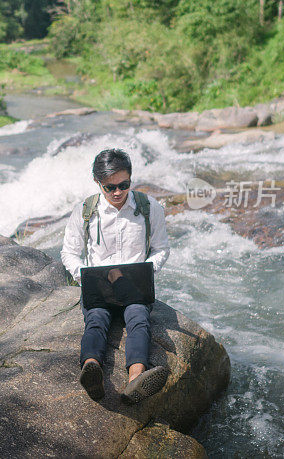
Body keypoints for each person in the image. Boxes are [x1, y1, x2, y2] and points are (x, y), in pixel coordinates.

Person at [61, 148, 171, 403]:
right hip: (99, 289)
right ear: (98, 183)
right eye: (110, 188)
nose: (118, 192)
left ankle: (136, 381)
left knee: (139, 318)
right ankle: (92, 370)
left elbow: (161, 248)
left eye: (124, 185)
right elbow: (69, 252)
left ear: (131, 179)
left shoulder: (148, 207)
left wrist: (147, 270)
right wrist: (83, 277)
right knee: (97, 319)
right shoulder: (85, 211)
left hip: (134, 288)